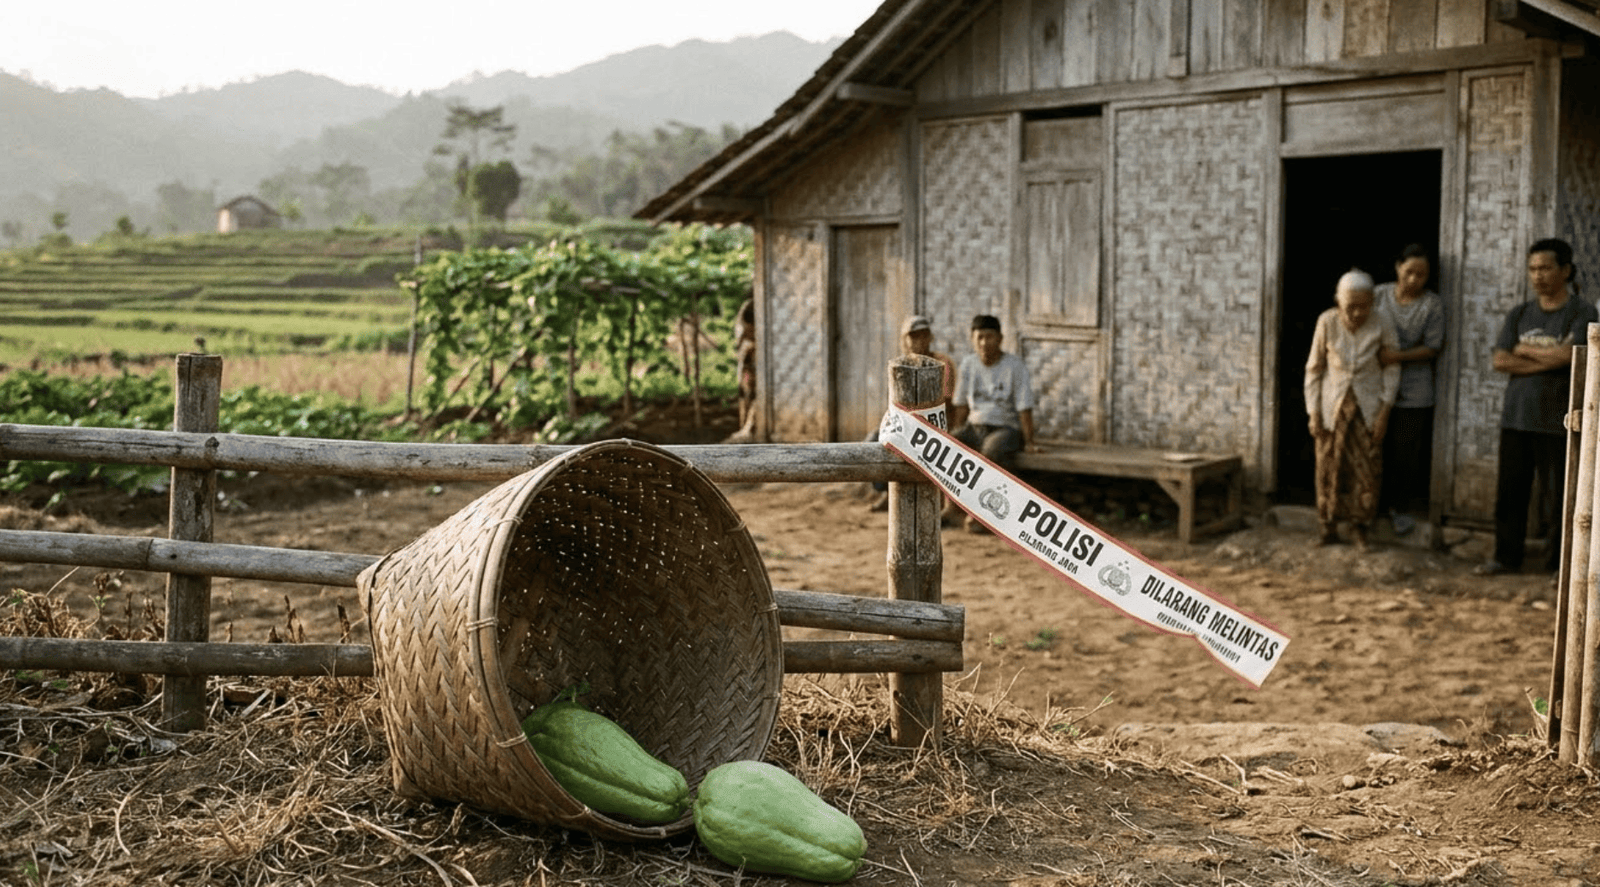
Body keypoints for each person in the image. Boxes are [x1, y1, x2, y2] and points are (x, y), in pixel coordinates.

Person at [1476, 238, 1597, 577]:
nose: (1538, 275)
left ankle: (1560, 565)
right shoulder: (1519, 313)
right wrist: (1551, 357)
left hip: (1558, 419)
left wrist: (1526, 351)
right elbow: (1500, 360)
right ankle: (1505, 557)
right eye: (1533, 269)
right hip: (1516, 418)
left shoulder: (1582, 312)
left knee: (1560, 496)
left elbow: (1570, 356)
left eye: (1545, 268)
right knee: (1510, 492)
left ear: (1565, 270)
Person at [1304, 269, 1400, 551]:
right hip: (1331, 405)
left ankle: (1360, 530)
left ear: (1372, 301)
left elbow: (1392, 367)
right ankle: (1327, 528)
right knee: (1327, 466)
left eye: (1364, 306)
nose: (1357, 313)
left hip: (1367, 406)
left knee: (1366, 469)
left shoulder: (1383, 321)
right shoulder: (1327, 321)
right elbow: (1314, 370)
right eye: (1350, 307)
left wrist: (1384, 412)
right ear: (1338, 301)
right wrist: (1314, 413)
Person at [1375, 244, 1446, 535]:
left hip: (1415, 391)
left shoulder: (1432, 305)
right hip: (1378, 388)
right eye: (1409, 272)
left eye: (1422, 274)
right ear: (1397, 268)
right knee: (1374, 448)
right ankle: (1372, 508)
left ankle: (1400, 510)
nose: (1415, 280)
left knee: (1404, 454)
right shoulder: (1378, 294)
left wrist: (1396, 356)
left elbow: (1433, 347)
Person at [946, 314, 1036, 532]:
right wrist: (955, 433)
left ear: (1000, 339)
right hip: (974, 427)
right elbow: (960, 405)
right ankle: (950, 507)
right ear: (972, 340)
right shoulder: (969, 364)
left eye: (989, 337)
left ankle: (982, 515)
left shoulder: (1015, 366)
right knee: (947, 446)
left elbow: (1025, 407)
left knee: (990, 452)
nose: (984, 343)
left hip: (1005, 429)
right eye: (979, 337)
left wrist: (1030, 441)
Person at [867, 314, 957, 511]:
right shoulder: (901, 365)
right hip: (907, 422)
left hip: (934, 422)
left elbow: (946, 401)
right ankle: (888, 493)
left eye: (923, 336)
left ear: (930, 337)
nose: (919, 341)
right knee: (874, 438)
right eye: (914, 336)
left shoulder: (942, 363)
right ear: (905, 340)